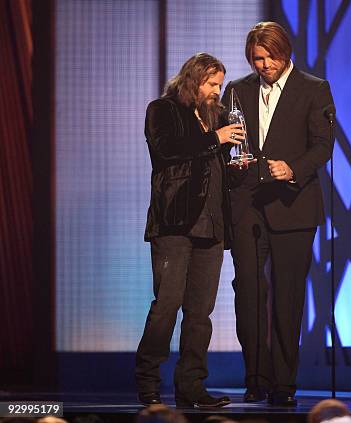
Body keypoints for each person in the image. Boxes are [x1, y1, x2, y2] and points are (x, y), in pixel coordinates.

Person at [221, 21, 335, 406]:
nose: (263, 65)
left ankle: (284, 383)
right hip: (248, 206)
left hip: (294, 205)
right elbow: (228, 144)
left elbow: (323, 146)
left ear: (284, 52)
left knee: (288, 298)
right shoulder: (237, 90)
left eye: (269, 57)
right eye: (257, 59)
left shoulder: (314, 89)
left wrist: (294, 168)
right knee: (249, 294)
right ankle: (256, 377)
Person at [135, 53, 244, 408]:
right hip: (175, 224)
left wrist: (238, 164)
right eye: (212, 84)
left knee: (200, 313)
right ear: (193, 80)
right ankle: (148, 381)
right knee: (167, 305)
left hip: (211, 226)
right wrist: (216, 138)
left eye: (220, 85)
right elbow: (166, 151)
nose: (217, 91)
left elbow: (216, 169)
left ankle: (191, 385)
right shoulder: (163, 110)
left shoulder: (214, 118)